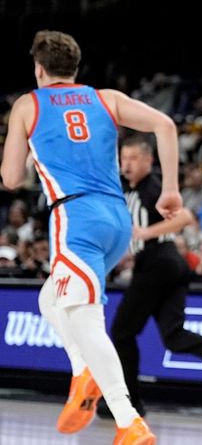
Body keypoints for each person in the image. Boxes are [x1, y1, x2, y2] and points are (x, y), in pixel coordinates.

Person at [0, 30, 174, 443]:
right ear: (75, 68)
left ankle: (128, 418)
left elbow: (10, 178)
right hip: (117, 220)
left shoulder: (28, 104)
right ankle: (83, 375)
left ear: (39, 69)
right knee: (50, 299)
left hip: (75, 216)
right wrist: (171, 189)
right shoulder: (106, 98)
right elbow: (165, 125)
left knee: (85, 317)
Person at [111, 135, 202, 416]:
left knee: (122, 332)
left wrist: (146, 233)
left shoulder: (152, 188)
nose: (127, 164)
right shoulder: (129, 188)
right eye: (124, 158)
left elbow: (184, 218)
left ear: (149, 160)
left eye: (134, 158)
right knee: (172, 336)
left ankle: (129, 402)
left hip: (157, 262)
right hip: (171, 264)